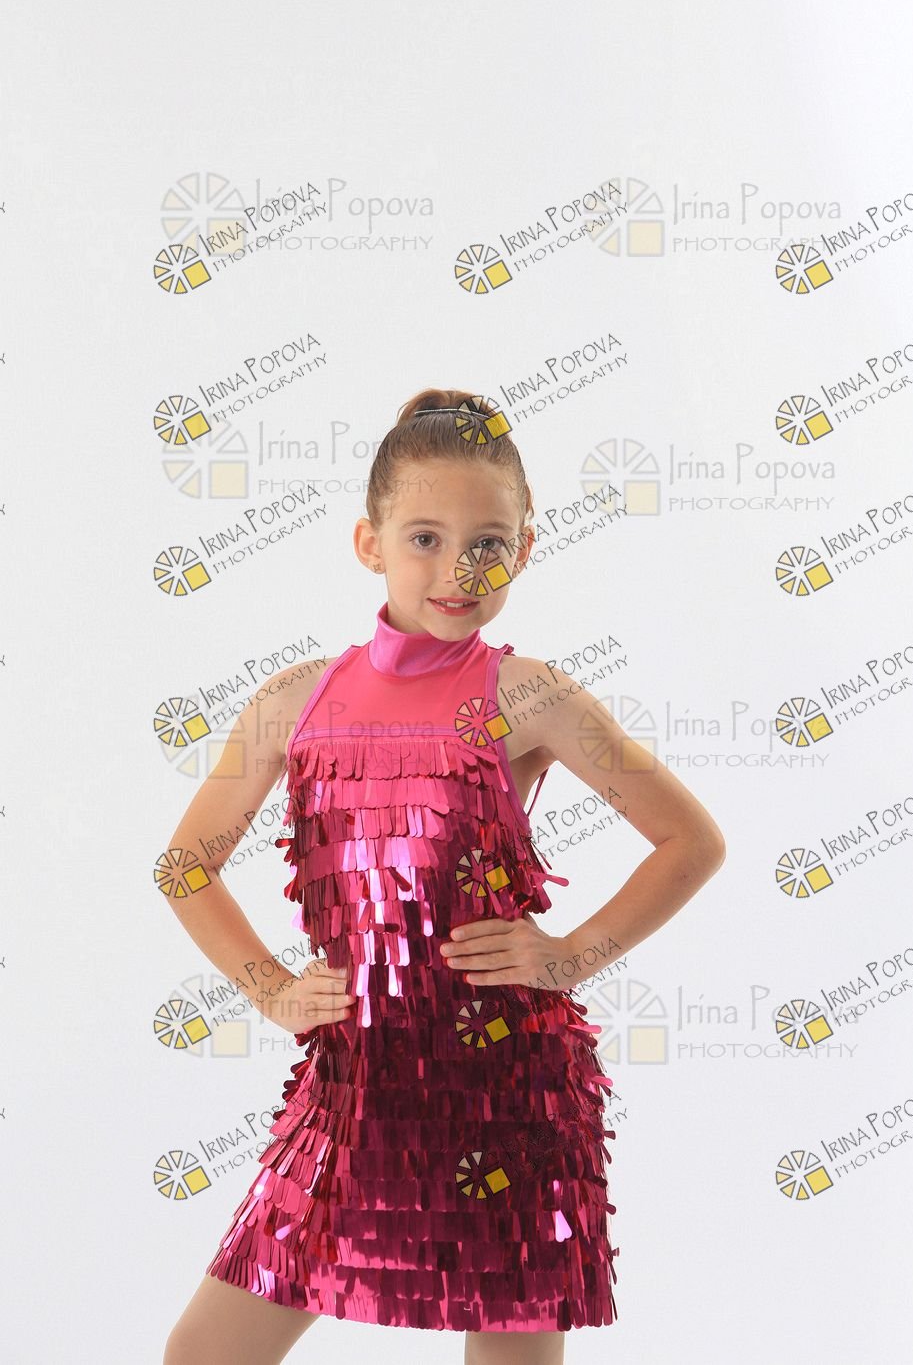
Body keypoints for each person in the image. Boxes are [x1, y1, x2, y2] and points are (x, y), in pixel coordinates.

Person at [161, 387, 727, 1365]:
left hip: (509, 1091)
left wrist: (566, 956)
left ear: (525, 550)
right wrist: (272, 988)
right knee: (208, 1352)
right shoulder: (294, 701)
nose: (459, 568)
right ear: (368, 542)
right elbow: (185, 866)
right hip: (352, 1088)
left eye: (487, 542)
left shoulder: (530, 695)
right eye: (425, 538)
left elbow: (690, 840)